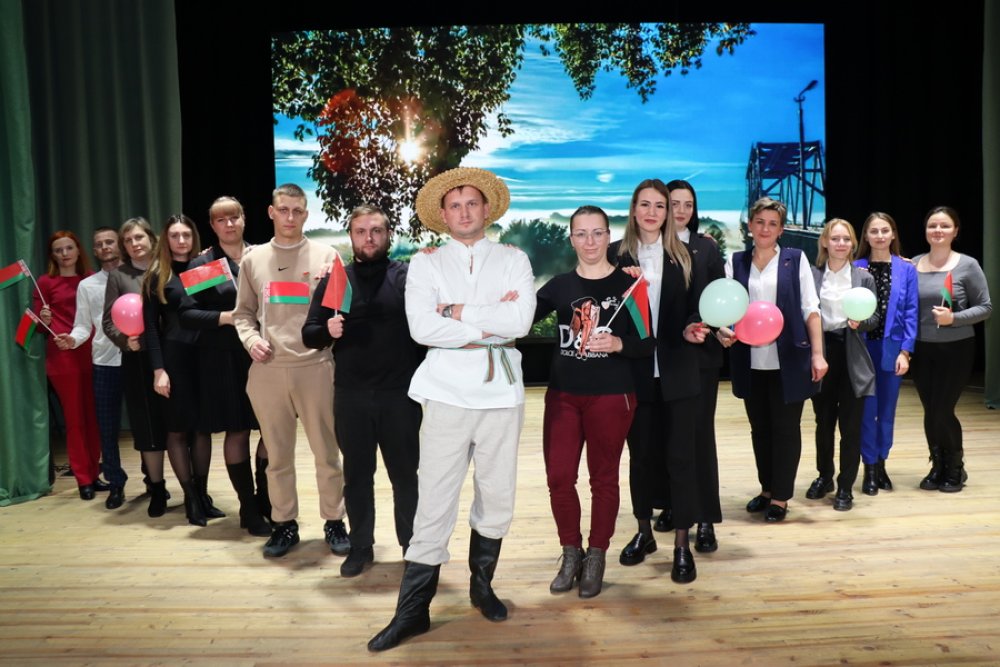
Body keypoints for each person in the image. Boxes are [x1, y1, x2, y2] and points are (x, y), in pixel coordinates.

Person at [368, 168, 535, 652]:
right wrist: (491, 320)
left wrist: (456, 311)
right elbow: (422, 329)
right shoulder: (426, 264)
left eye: (472, 203)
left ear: (487, 209)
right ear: (443, 215)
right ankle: (413, 611)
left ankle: (482, 587)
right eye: (455, 205)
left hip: (501, 393)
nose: (464, 212)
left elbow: (521, 321)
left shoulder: (514, 258)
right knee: (435, 497)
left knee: (497, 493)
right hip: (444, 391)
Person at [535, 205, 654, 598]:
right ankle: (571, 553)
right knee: (558, 477)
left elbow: (646, 343)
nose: (590, 241)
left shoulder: (631, 286)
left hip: (612, 395)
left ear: (609, 236)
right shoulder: (558, 287)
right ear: (571, 239)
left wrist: (619, 343)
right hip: (563, 397)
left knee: (603, 479)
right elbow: (516, 319)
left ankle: (597, 555)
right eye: (581, 234)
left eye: (597, 233)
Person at [303, 205, 423, 577]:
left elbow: (428, 329)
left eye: (376, 231)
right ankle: (360, 547)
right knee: (356, 477)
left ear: (388, 235)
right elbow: (309, 333)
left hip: (399, 396)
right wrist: (327, 331)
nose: (368, 238)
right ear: (351, 236)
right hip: (351, 396)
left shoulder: (406, 277)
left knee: (405, 476)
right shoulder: (338, 280)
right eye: (360, 231)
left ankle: (413, 549)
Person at [233, 183, 348, 557]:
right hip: (268, 370)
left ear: (306, 214)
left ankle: (335, 521)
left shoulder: (327, 256)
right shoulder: (253, 260)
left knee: (327, 453)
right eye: (283, 210)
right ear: (271, 212)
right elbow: (242, 314)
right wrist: (251, 340)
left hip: (316, 368)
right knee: (277, 457)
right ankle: (284, 524)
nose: (290, 217)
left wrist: (334, 307)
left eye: (297, 211)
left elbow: (343, 310)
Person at [609, 180, 707, 583]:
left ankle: (682, 545)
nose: (652, 212)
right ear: (633, 209)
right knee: (641, 458)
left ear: (668, 213)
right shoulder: (615, 255)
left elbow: (695, 309)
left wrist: (691, 328)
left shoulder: (686, 256)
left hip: (678, 372)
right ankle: (644, 532)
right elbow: (606, 312)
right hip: (632, 375)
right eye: (645, 205)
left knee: (681, 459)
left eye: (660, 206)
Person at [718, 197, 827, 522]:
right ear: (750, 225)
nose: (765, 229)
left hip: (789, 360)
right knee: (760, 430)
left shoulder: (796, 259)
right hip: (750, 361)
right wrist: (723, 329)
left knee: (785, 429)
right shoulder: (735, 261)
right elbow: (727, 307)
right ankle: (766, 489)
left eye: (773, 224)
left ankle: (780, 497)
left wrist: (818, 354)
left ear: (781, 230)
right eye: (760, 222)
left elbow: (811, 308)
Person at [180, 196, 270, 537]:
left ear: (244, 219)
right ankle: (248, 507)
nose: (229, 224)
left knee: (271, 430)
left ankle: (265, 500)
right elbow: (187, 314)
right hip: (224, 358)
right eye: (221, 219)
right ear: (212, 225)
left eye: (234, 217)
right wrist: (226, 317)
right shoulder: (205, 265)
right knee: (238, 431)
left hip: (264, 354)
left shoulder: (263, 256)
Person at [143, 215, 222, 526]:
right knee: (177, 429)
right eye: (175, 235)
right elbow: (151, 328)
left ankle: (203, 495)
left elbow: (216, 309)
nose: (181, 240)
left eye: (186, 235)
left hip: (205, 355)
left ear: (194, 237)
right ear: (166, 239)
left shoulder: (204, 268)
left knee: (202, 428)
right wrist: (158, 370)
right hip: (173, 358)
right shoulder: (156, 275)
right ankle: (190, 498)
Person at [912, 206, 991, 492]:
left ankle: (956, 467)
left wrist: (953, 318)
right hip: (922, 349)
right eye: (932, 225)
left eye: (944, 226)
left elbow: (986, 307)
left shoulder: (968, 265)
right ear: (925, 230)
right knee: (929, 410)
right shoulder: (913, 264)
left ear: (955, 231)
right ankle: (938, 465)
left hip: (956, 349)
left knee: (942, 410)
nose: (938, 231)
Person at [667, 179, 725, 552]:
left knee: (701, 438)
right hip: (664, 358)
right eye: (674, 203)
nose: (682, 211)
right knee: (669, 439)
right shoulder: (648, 248)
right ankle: (674, 508)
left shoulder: (707, 247)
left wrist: (721, 328)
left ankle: (705, 519)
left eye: (688, 204)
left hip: (702, 357)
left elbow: (720, 297)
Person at [806, 219, 877, 511]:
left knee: (851, 426)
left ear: (853, 244)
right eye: (835, 238)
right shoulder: (812, 275)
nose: (841, 244)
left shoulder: (863, 278)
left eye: (846, 239)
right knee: (823, 423)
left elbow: (875, 318)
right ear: (824, 241)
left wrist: (862, 322)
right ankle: (825, 477)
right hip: (822, 354)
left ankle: (846, 485)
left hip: (852, 357)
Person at [102, 217, 169, 516]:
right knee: (147, 426)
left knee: (179, 426)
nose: (134, 244)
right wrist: (123, 340)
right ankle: (157, 489)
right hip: (138, 360)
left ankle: (194, 488)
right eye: (128, 240)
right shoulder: (118, 276)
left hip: (173, 355)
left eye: (139, 237)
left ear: (151, 238)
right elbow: (108, 321)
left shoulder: (167, 268)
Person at [853, 212, 918, 495]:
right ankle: (869, 467)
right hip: (861, 349)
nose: (880, 236)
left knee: (887, 411)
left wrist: (906, 351)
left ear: (893, 234)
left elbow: (912, 312)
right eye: (874, 231)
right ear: (866, 237)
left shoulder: (907, 269)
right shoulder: (855, 268)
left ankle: (881, 463)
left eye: (885, 230)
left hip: (891, 349)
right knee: (867, 411)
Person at [35, 231, 103, 500]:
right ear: (52, 255)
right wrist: (42, 319)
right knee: (75, 419)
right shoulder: (45, 282)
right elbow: (37, 327)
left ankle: (95, 474)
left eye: (69, 248)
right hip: (62, 357)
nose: (64, 254)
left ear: (78, 250)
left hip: (93, 352)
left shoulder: (91, 278)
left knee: (94, 417)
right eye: (58, 250)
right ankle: (83, 479)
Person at [62, 227, 127, 508]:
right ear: (94, 250)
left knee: (147, 426)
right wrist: (73, 339)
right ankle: (115, 484)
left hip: (137, 361)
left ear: (119, 244)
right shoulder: (87, 286)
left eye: (109, 242)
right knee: (107, 429)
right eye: (99, 244)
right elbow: (81, 325)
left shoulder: (137, 276)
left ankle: (154, 481)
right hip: (104, 363)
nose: (104, 247)